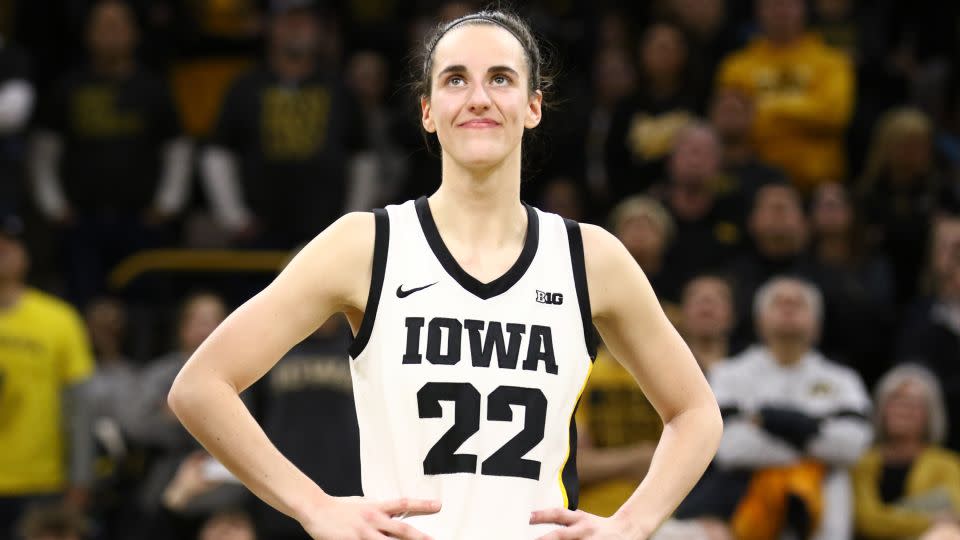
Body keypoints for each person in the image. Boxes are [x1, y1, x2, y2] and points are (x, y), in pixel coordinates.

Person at [169, 9, 722, 540]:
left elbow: (696, 413)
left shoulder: (589, 256)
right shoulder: (366, 244)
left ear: (533, 106)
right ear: (427, 111)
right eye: (456, 79)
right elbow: (200, 387)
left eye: (500, 79)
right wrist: (313, 506)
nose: (479, 98)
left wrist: (632, 524)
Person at [680, 277, 872, 540]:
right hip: (743, 515)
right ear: (759, 321)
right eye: (779, 302)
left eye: (798, 303)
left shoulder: (843, 380)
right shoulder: (728, 375)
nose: (788, 306)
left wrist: (772, 422)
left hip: (825, 516)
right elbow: (730, 448)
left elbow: (851, 447)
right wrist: (814, 431)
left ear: (817, 325)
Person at [30, 0, 191, 307]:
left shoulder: (153, 88)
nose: (112, 34)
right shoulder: (68, 87)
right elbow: (44, 151)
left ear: (135, 33)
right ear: (88, 34)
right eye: (104, 26)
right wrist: (54, 206)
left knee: (144, 302)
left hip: (142, 218)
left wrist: (166, 204)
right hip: (80, 218)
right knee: (81, 300)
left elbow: (176, 150)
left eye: (119, 25)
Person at [0, 213, 95, 540]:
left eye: (9, 243)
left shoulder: (59, 320)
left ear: (25, 253)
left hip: (42, 483)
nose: (2, 250)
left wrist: (80, 481)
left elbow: (81, 409)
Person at [716, 0, 854, 192]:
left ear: (803, 9)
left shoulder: (831, 62)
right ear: (759, 11)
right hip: (753, 184)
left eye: (788, 4)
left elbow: (833, 115)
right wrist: (806, 110)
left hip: (818, 185)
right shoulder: (737, 66)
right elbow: (732, 122)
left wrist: (766, 108)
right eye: (773, 4)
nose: (781, 11)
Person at [853, 364, 960, 539]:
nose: (903, 411)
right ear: (882, 409)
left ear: (930, 414)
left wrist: (890, 516)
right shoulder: (861, 462)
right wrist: (930, 519)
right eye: (895, 402)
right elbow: (867, 521)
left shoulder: (947, 464)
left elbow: (955, 512)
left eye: (913, 405)